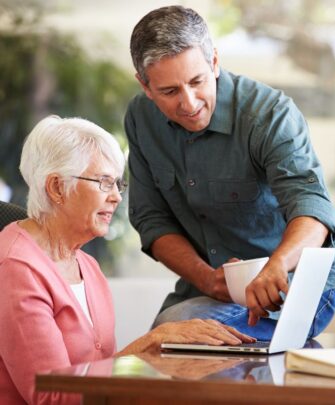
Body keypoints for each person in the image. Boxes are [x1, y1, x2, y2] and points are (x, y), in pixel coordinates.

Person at [0, 116, 255, 405]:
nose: (116, 198)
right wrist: (148, 344)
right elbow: (54, 396)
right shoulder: (14, 268)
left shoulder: (88, 266)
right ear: (57, 188)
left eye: (117, 184)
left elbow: (99, 370)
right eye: (104, 183)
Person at [126, 5, 335, 339]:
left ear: (214, 62)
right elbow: (152, 220)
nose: (189, 103)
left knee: (173, 335)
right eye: (169, 92)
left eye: (197, 81)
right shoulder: (141, 118)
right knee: (165, 341)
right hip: (203, 290)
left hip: (297, 287)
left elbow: (312, 210)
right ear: (145, 85)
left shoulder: (269, 114)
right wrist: (205, 278)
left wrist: (276, 265)